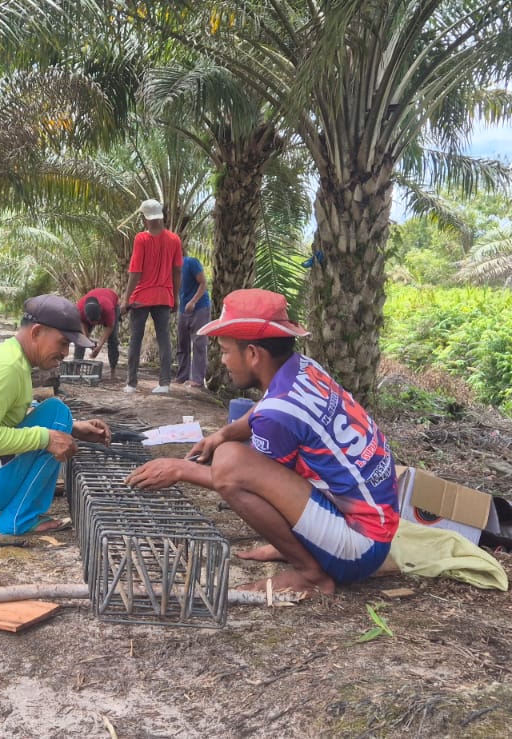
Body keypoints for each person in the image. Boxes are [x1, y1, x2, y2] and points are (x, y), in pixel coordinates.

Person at [125, 289, 399, 594]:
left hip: (359, 548)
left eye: (227, 351)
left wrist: (179, 469)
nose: (225, 361)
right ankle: (310, 548)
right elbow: (263, 409)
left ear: (253, 354)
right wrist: (223, 433)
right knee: (233, 453)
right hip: (380, 521)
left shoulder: (277, 414)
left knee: (231, 463)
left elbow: (245, 479)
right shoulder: (303, 368)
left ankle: (311, 573)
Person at [0, 294, 113, 537]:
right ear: (37, 332)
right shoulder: (7, 369)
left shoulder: (8, 357)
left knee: (57, 417)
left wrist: (73, 427)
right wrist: (46, 437)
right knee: (56, 415)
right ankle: (18, 520)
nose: (65, 353)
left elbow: (5, 418)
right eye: (62, 342)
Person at [119, 198, 181, 395]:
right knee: (164, 339)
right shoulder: (174, 240)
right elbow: (177, 270)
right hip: (164, 296)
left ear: (145, 218)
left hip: (141, 297)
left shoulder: (141, 239)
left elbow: (135, 272)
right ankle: (164, 383)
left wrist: (126, 299)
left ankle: (131, 383)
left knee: (135, 338)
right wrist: (176, 297)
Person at [173, 254, 211, 389]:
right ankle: (182, 376)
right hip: (183, 309)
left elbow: (203, 282)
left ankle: (197, 379)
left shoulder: (190, 262)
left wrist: (193, 301)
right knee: (182, 343)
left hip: (200, 307)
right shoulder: (171, 268)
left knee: (199, 343)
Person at [75, 287, 120, 379]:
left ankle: (113, 372)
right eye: (92, 322)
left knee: (113, 340)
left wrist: (99, 346)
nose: (95, 324)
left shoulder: (108, 308)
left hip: (112, 301)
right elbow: (81, 323)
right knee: (80, 339)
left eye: (97, 320)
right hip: (87, 313)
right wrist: (86, 339)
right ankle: (76, 370)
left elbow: (110, 327)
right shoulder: (79, 309)